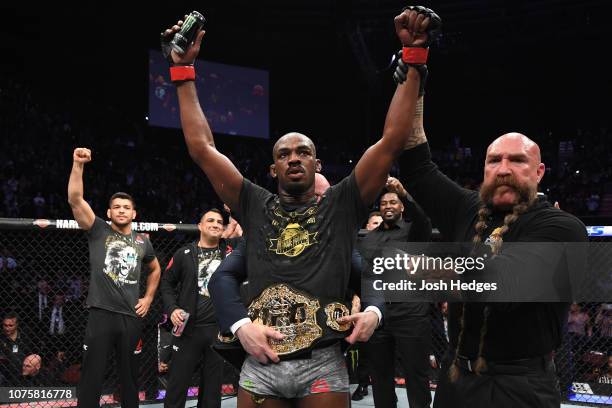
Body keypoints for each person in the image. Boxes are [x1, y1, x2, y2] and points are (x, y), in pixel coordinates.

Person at [161, 5, 427, 405]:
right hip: (261, 359)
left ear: (317, 164)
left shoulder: (341, 205)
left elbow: (391, 140)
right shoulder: (253, 203)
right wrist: (182, 72)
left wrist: (415, 56)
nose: (294, 158)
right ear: (273, 168)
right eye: (284, 154)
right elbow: (202, 148)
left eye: (303, 152)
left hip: (322, 361)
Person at [391, 18, 589, 407]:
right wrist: (414, 68)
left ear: (539, 171)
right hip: (456, 380)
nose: (502, 169)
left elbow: (503, 288)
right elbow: (415, 160)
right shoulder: (468, 208)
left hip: (522, 385)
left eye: (516, 161)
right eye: (493, 160)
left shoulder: (562, 227)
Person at [67, 147, 161, 408]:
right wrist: (78, 165)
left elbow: (155, 269)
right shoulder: (98, 230)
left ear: (134, 214)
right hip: (101, 313)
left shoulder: (143, 241)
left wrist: (149, 297)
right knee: (92, 377)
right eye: (116, 207)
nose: (121, 210)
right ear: (108, 213)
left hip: (131, 316)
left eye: (126, 207)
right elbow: (75, 199)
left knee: (130, 377)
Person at [359, 177, 432, 408]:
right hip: (379, 316)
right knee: (380, 377)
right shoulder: (368, 238)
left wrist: (404, 192)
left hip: (410, 313)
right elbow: (366, 274)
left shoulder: (413, 232)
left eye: (393, 202)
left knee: (416, 375)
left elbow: (423, 219)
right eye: (384, 203)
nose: (388, 206)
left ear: (401, 207)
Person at [160, 209, 240, 408]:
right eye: (210, 220)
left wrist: (235, 208)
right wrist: (172, 309)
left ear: (223, 228)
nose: (215, 224)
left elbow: (247, 228)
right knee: (178, 383)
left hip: (219, 329)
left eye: (219, 222)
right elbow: (166, 283)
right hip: (188, 328)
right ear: (200, 226)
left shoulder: (232, 251)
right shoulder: (184, 253)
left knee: (213, 387)